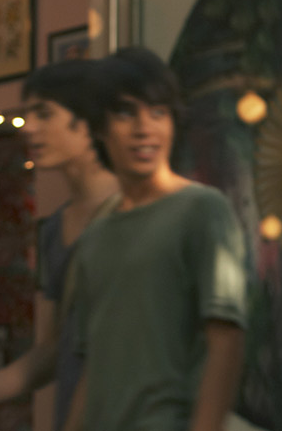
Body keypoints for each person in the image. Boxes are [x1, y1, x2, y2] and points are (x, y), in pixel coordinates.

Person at [60, 48, 246, 431]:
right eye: (126, 112)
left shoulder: (203, 209)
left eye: (158, 112)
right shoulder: (95, 236)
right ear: (99, 127)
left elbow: (225, 341)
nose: (145, 128)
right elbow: (93, 367)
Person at [0, 60, 119, 427]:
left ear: (89, 120)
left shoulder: (137, 217)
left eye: (44, 113)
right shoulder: (53, 229)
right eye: (28, 114)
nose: (29, 127)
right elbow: (52, 348)